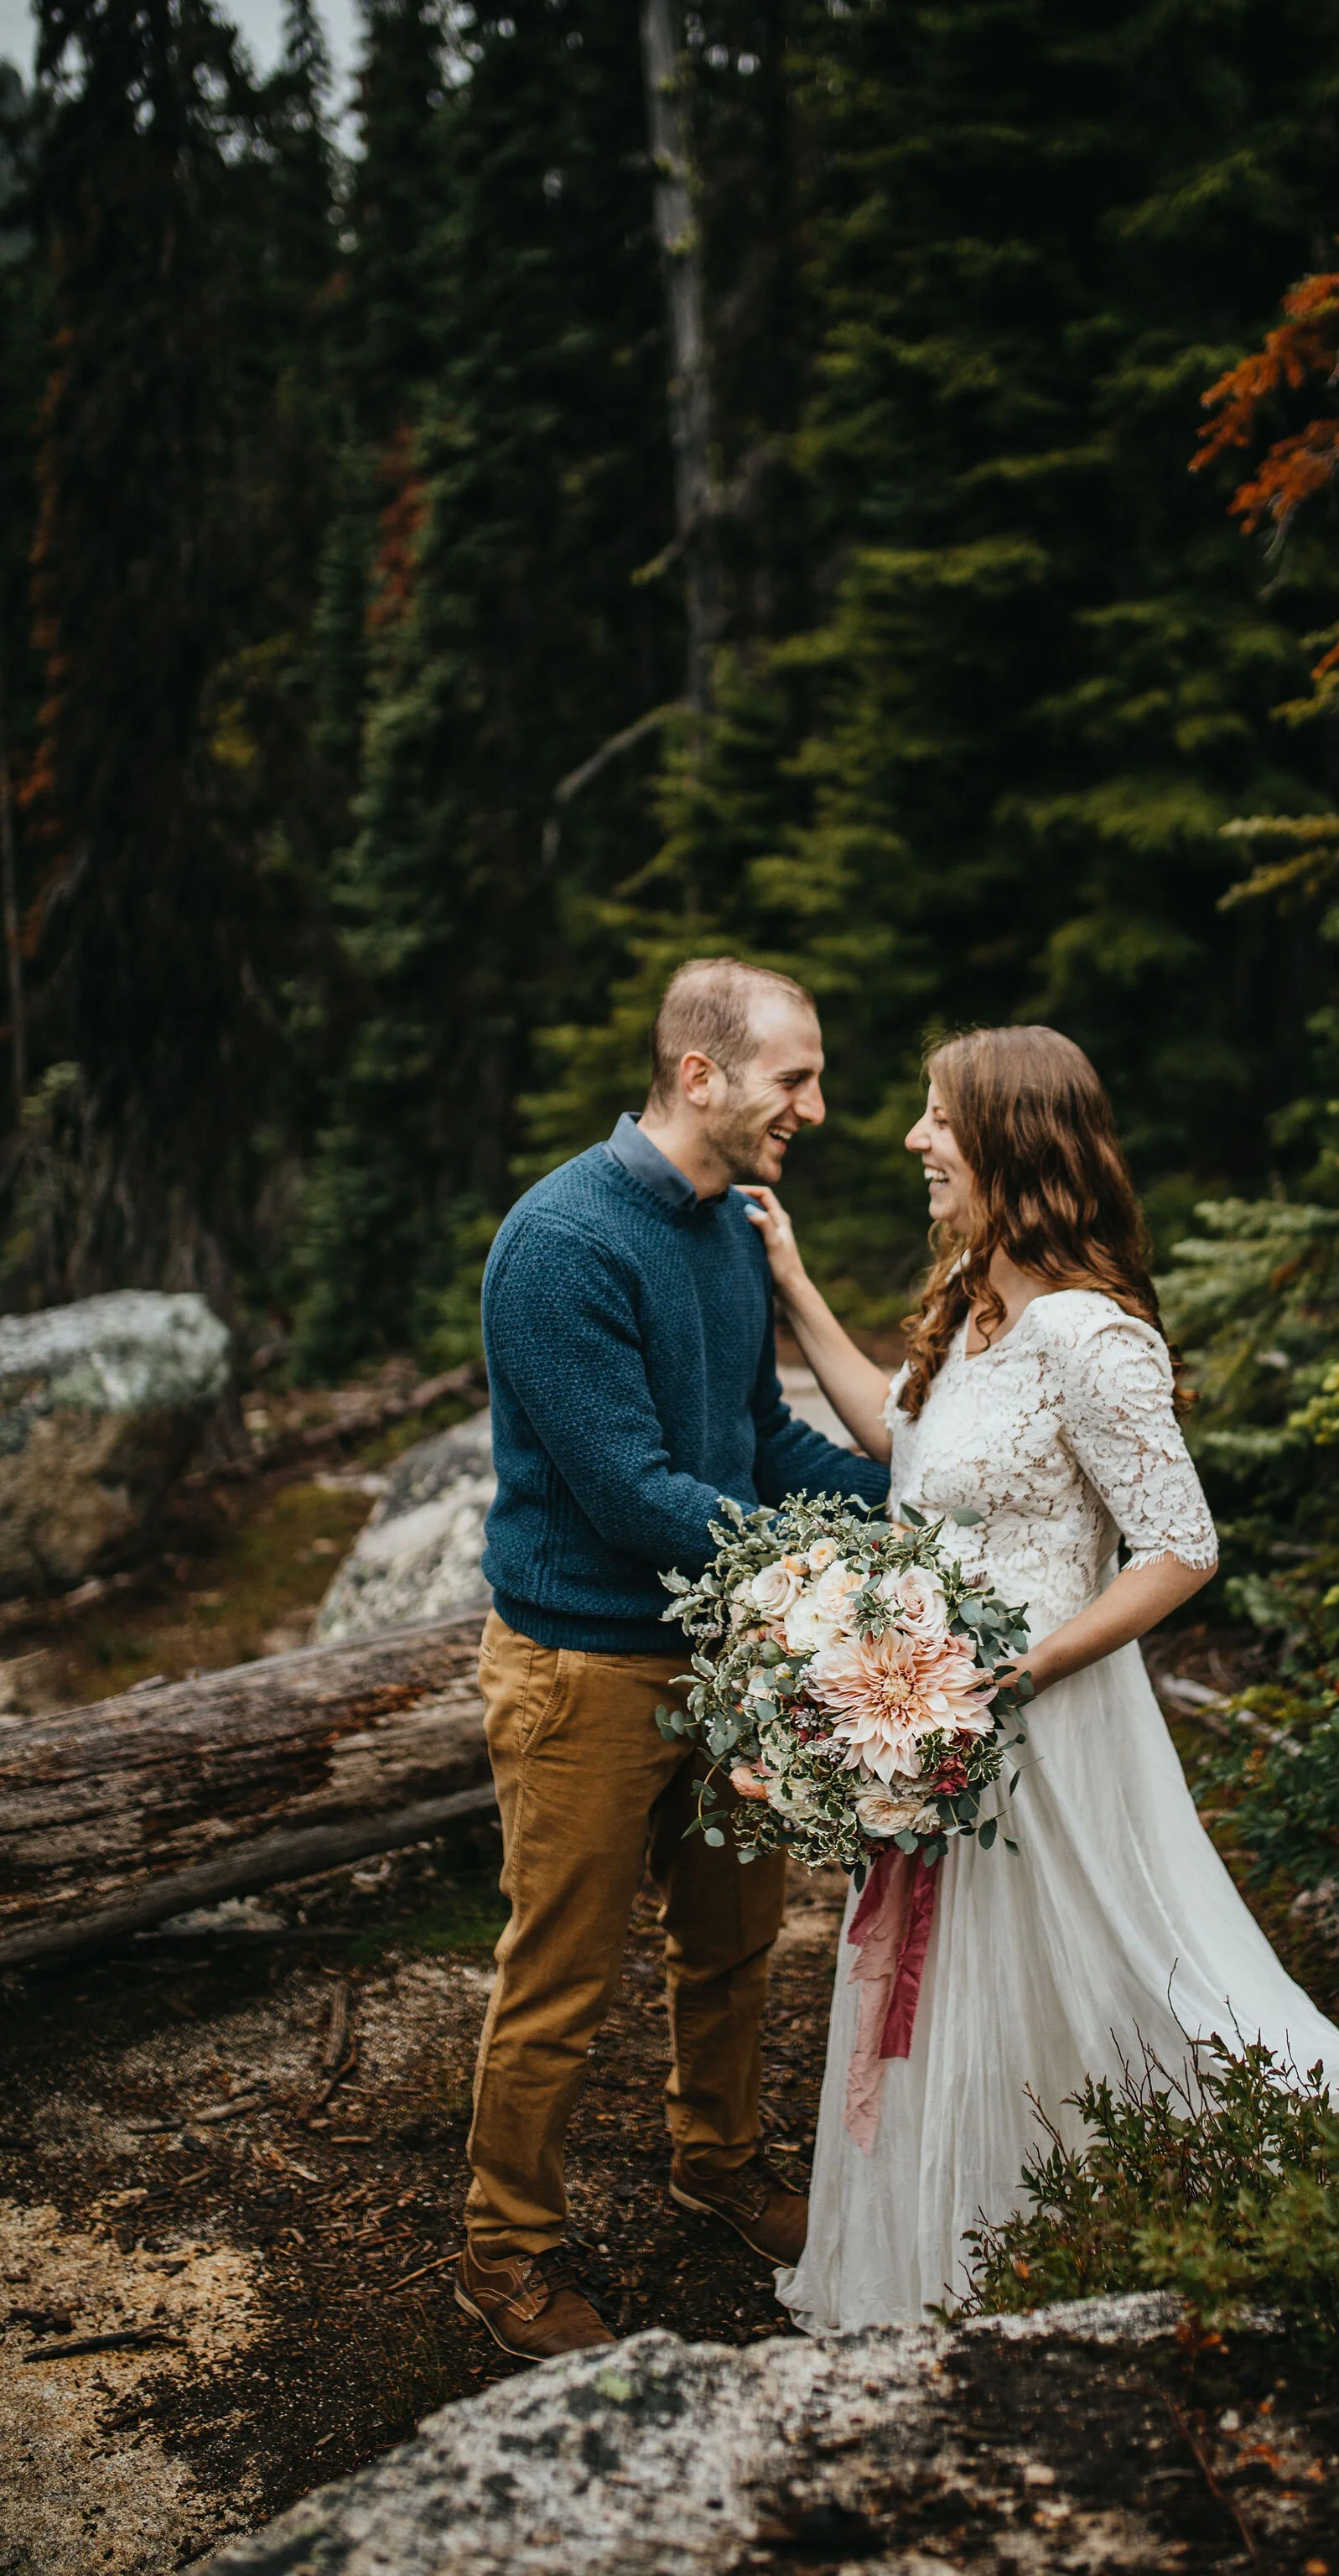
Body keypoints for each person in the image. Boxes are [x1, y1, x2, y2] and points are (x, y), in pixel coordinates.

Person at [739, 1024, 1339, 2332]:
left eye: (937, 1116)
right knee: (964, 1994)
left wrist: (1024, 1666)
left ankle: (1127, 2216)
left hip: (1048, 1721)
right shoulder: (969, 1310)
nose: (913, 1139)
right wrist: (790, 1282)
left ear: (1009, 1138)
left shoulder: (1088, 1337)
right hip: (942, 1726)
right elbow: (897, 1435)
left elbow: (1183, 1549)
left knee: (1100, 1965)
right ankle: (979, 2248)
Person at [455, 958, 891, 2360]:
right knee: (562, 1981)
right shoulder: (560, 1244)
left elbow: (757, 1435)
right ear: (699, 1077)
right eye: (797, 1078)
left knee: (735, 1944)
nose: (818, 1108)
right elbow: (634, 1491)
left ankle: (717, 2164)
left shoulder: (723, 1225)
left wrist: (907, 1505)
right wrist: (831, 1569)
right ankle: (505, 2251)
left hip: (725, 1660)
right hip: (585, 1668)